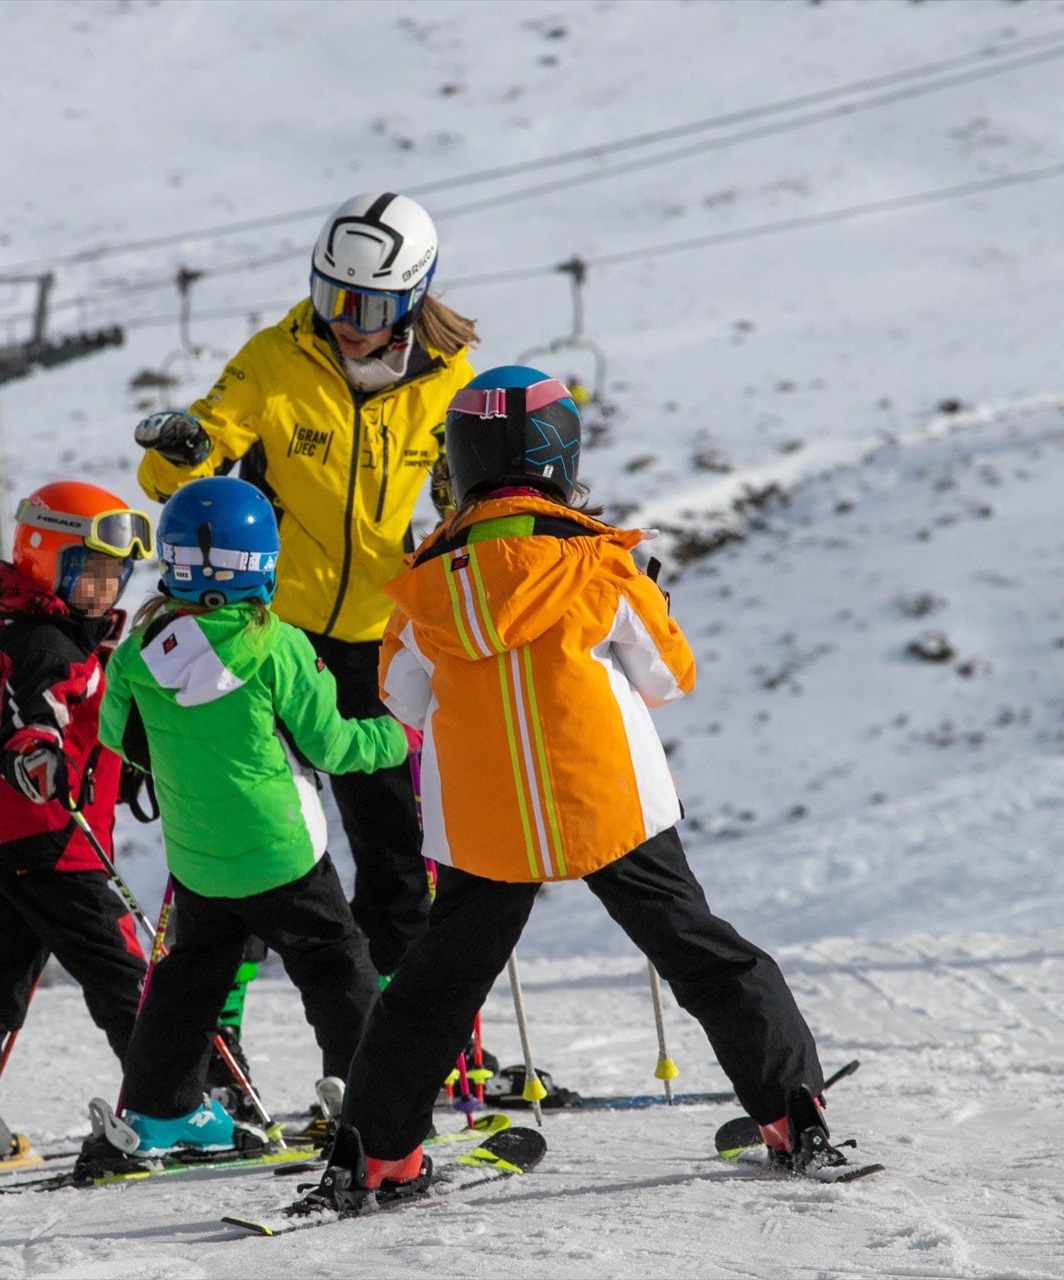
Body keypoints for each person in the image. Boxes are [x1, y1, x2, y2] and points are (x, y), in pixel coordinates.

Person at [301, 366, 839, 1213]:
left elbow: (402, 700)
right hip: (606, 804)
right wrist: (650, 598)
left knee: (434, 991)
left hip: (488, 824)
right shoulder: (600, 565)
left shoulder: (422, 589)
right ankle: (791, 1114)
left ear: (462, 460)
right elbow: (668, 677)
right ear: (563, 458)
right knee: (700, 951)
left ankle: (376, 1158)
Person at [133, 192, 476, 1000]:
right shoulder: (275, 358)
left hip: (377, 639)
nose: (344, 319)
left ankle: (400, 1031)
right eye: (329, 295)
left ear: (414, 296)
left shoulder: (447, 382)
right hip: (270, 636)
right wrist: (182, 455)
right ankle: (218, 1035)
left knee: (394, 847)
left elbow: (462, 502)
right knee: (247, 835)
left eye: (367, 304)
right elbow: (192, 456)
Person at [82, 476, 413, 1172]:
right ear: (263, 562)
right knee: (334, 962)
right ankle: (371, 1101)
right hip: (281, 851)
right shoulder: (278, 645)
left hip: (200, 856)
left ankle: (160, 1110)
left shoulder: (140, 651)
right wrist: (400, 736)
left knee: (188, 981)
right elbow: (332, 746)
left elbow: (117, 735)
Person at [0, 481, 156, 1174]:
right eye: (88, 572)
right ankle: (170, 1106)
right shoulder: (43, 643)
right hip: (49, 838)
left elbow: (75, 724)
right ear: (44, 559)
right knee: (123, 970)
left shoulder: (52, 637)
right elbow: (32, 715)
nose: (103, 590)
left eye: (114, 575)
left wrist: (130, 771)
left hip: (9, 843)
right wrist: (34, 752)